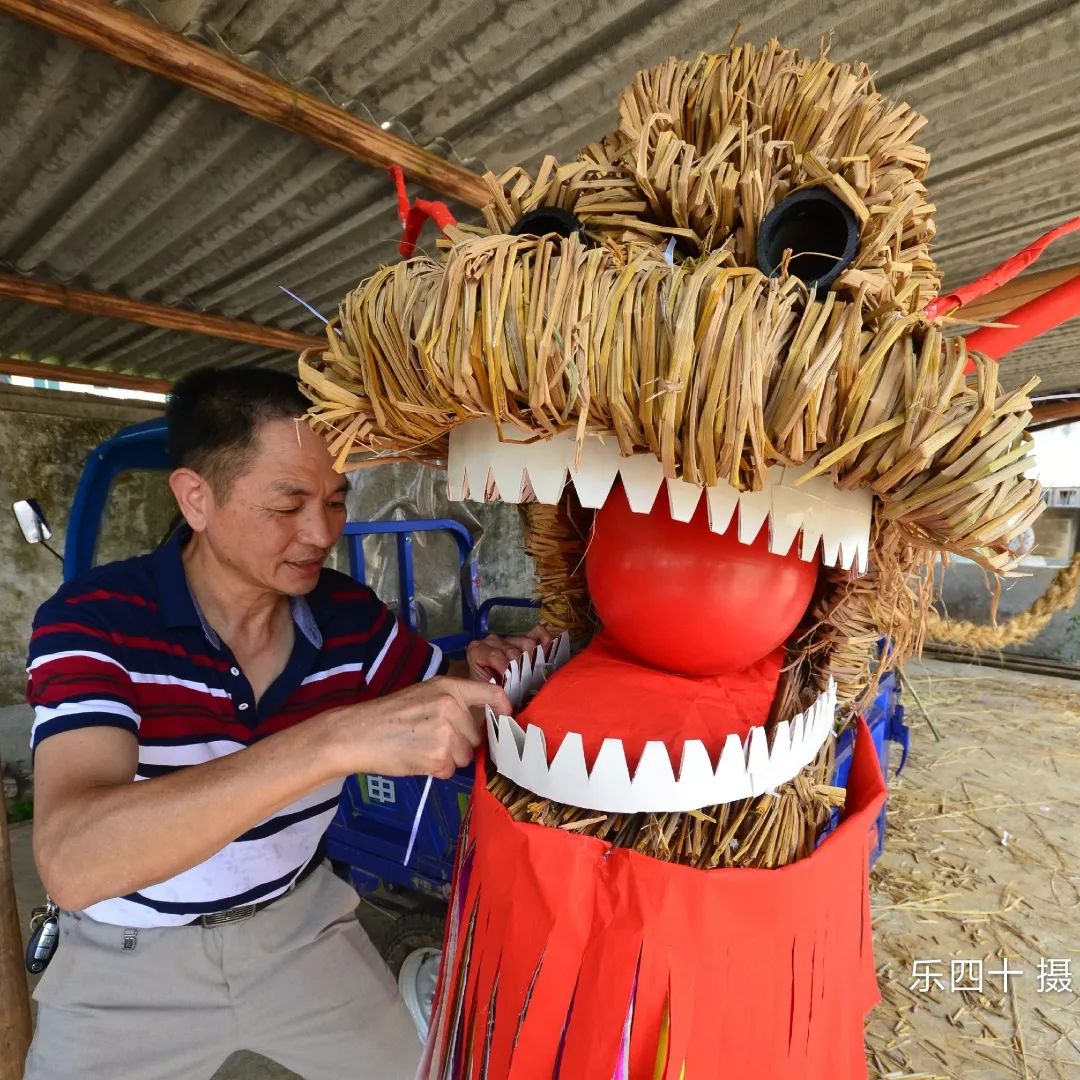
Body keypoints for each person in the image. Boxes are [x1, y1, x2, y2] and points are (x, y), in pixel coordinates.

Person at [23, 366, 549, 1079]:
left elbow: (440, 699)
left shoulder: (347, 615)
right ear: (196, 498)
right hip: (126, 963)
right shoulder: (95, 622)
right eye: (288, 502)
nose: (322, 531)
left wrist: (481, 677)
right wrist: (331, 741)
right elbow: (74, 862)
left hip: (300, 931)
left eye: (335, 500)